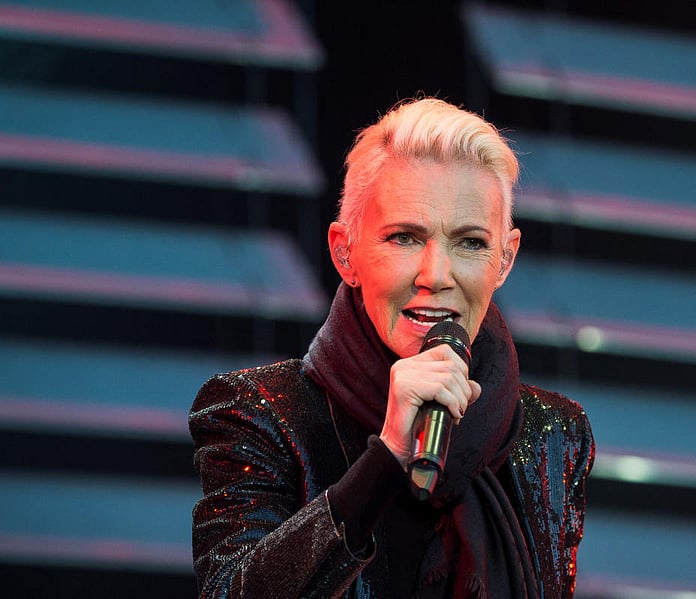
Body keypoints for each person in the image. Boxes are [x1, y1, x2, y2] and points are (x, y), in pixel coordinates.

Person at [189, 97, 595, 598]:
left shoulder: (554, 434)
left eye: (470, 242)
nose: (437, 275)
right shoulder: (260, 413)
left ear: (505, 259)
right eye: (404, 238)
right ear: (345, 252)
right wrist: (386, 460)